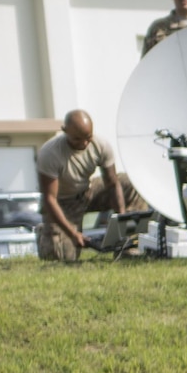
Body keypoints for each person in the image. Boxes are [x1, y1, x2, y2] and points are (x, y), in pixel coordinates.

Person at [34, 110, 145, 262]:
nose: (84, 143)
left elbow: (112, 184)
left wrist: (122, 221)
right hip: (62, 203)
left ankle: (127, 247)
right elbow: (49, 199)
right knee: (61, 257)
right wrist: (73, 234)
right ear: (64, 131)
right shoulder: (50, 153)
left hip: (88, 192)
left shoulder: (101, 145)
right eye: (77, 139)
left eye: (88, 137)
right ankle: (46, 233)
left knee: (129, 183)